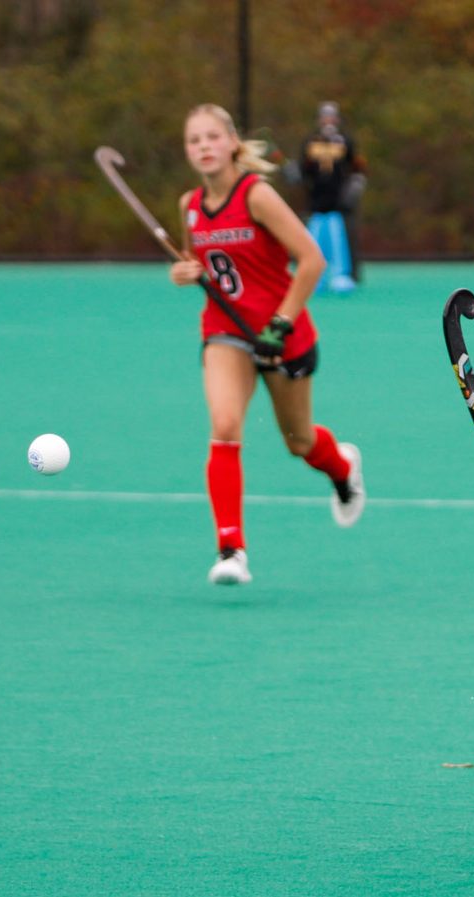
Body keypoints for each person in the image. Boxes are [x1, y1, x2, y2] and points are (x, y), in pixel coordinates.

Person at [169, 104, 366, 586]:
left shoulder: (255, 196)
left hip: (282, 334)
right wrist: (185, 271)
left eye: (213, 137)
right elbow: (199, 262)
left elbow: (312, 261)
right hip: (225, 330)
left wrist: (280, 323)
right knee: (224, 425)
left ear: (232, 142)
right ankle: (231, 549)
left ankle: (342, 469)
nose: (204, 147)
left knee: (299, 441)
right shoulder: (189, 206)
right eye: (195, 140)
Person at [298, 101, 367, 293]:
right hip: (316, 203)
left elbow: (357, 166)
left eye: (332, 116)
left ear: (336, 119)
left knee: (340, 241)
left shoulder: (345, 140)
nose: (328, 119)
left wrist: (357, 182)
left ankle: (342, 275)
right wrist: (297, 174)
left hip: (338, 203)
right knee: (313, 242)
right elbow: (304, 169)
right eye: (325, 116)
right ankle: (314, 278)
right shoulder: (310, 141)